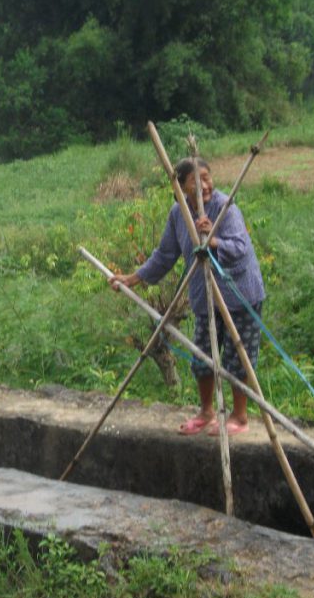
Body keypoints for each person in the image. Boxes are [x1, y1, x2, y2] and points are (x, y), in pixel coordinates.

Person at [109, 157, 265, 436]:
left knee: (238, 356)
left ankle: (239, 417)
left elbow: (240, 247)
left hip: (239, 293)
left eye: (207, 177)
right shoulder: (177, 214)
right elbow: (165, 255)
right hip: (204, 295)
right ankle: (207, 412)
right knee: (201, 357)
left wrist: (212, 239)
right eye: (197, 180)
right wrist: (134, 279)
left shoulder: (225, 208)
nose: (205, 185)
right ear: (180, 188)